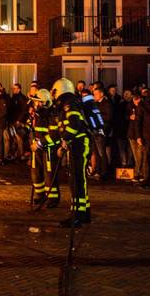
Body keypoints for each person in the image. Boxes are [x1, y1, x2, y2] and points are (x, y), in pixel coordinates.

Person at [51, 78, 92, 227]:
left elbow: (75, 125)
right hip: (77, 144)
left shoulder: (70, 104)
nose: (53, 95)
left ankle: (77, 216)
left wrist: (65, 141)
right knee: (77, 179)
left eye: (54, 91)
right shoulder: (68, 103)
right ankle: (84, 213)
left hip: (79, 144)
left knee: (77, 181)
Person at [29, 88, 60, 208]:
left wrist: (39, 143)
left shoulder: (52, 114)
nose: (36, 104)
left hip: (49, 150)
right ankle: (39, 195)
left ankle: (52, 199)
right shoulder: (37, 114)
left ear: (45, 102)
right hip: (37, 148)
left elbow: (54, 135)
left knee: (49, 175)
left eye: (38, 102)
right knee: (36, 173)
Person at [93, 86, 114, 179]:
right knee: (97, 152)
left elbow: (109, 117)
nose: (95, 96)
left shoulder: (107, 104)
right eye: (94, 94)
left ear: (101, 94)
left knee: (102, 151)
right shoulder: (95, 104)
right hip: (95, 130)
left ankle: (104, 172)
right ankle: (98, 171)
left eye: (96, 94)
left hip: (102, 130)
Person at [7, 83, 29, 161]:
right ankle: (17, 154)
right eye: (13, 88)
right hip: (13, 121)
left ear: (19, 89)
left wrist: (19, 120)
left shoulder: (21, 98)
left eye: (15, 88)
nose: (14, 90)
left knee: (18, 137)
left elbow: (24, 110)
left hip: (17, 122)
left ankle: (21, 154)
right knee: (14, 138)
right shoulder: (14, 97)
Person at [128, 94, 145, 182]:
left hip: (139, 135)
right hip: (132, 134)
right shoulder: (130, 108)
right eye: (134, 100)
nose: (136, 102)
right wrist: (129, 117)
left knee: (140, 155)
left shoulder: (142, 109)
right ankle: (139, 173)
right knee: (136, 156)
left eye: (137, 100)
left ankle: (139, 174)